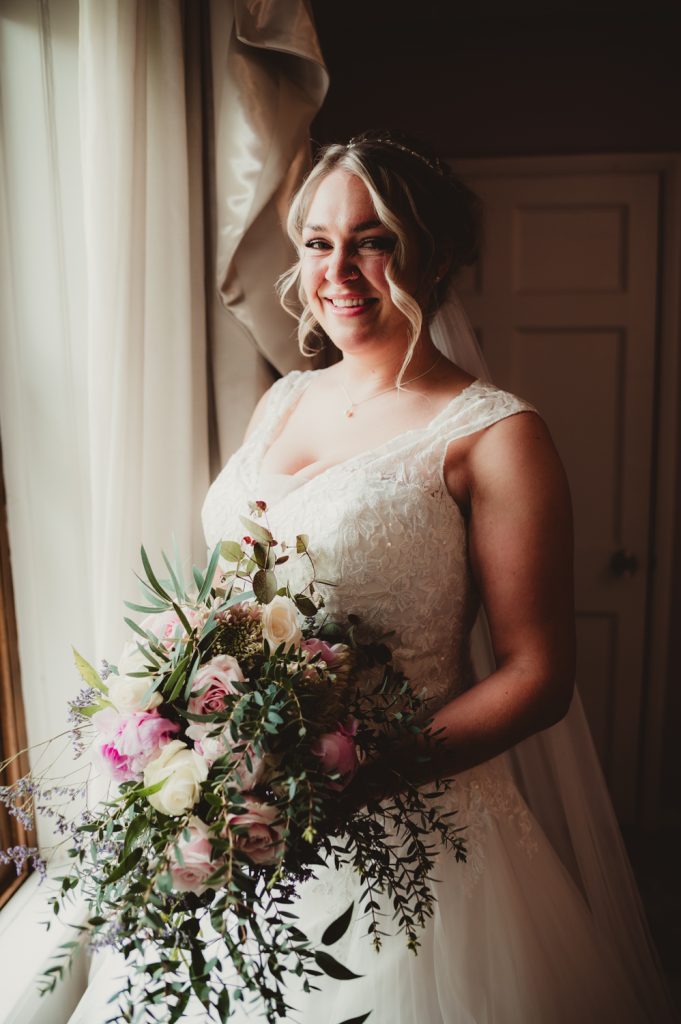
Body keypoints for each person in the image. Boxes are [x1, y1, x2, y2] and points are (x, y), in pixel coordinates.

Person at [68, 132, 676, 1023]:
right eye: (317, 241)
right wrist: (190, 731)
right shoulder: (283, 400)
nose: (338, 269)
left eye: (373, 238)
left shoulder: (494, 435)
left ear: (432, 253)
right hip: (244, 819)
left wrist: (345, 781)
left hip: (409, 826)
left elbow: (537, 677)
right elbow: (236, 595)